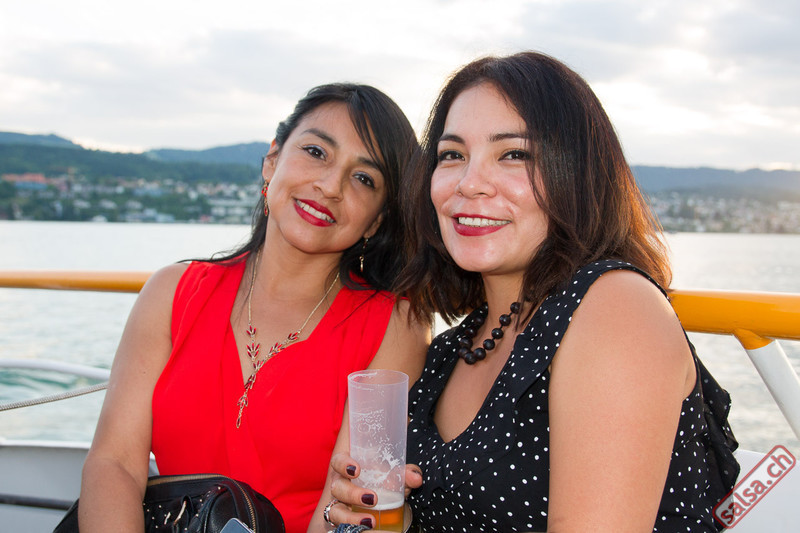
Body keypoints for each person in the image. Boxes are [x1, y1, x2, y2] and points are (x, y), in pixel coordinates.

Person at [326, 52, 739, 532]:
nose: (469, 183)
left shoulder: (615, 308)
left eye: (514, 154)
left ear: (577, 175)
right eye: (452, 155)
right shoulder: (449, 352)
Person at [78, 83, 429, 533]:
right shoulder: (172, 294)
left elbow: (347, 506)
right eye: (316, 152)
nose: (330, 186)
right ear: (272, 160)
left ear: (376, 220)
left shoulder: (394, 325)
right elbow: (114, 463)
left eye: (364, 179)